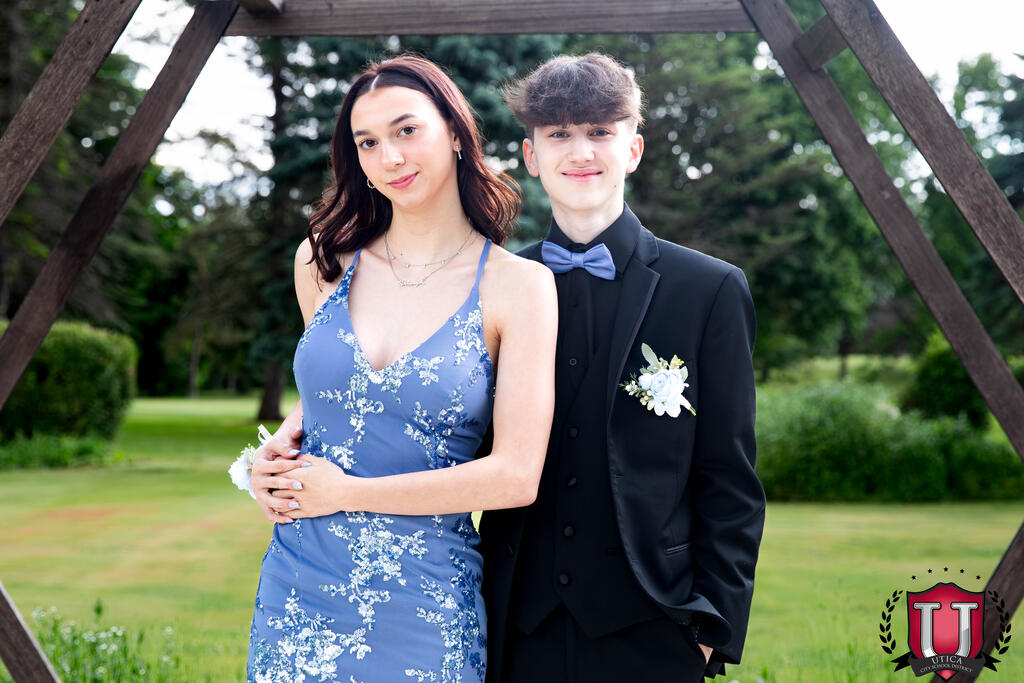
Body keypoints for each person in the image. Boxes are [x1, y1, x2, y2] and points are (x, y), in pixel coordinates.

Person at [244, 54, 557, 683]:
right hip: (299, 593)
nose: (389, 157)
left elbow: (516, 476)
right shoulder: (321, 262)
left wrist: (346, 494)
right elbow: (340, 394)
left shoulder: (518, 286)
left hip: (426, 602)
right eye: (368, 142)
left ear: (456, 133)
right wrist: (269, 463)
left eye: (406, 130)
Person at [476, 53, 765, 682]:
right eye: (558, 133)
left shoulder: (709, 290)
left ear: (632, 149)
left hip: (654, 629)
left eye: (600, 131)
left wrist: (709, 628)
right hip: (515, 628)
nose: (580, 151)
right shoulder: (490, 285)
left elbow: (730, 478)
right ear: (531, 156)